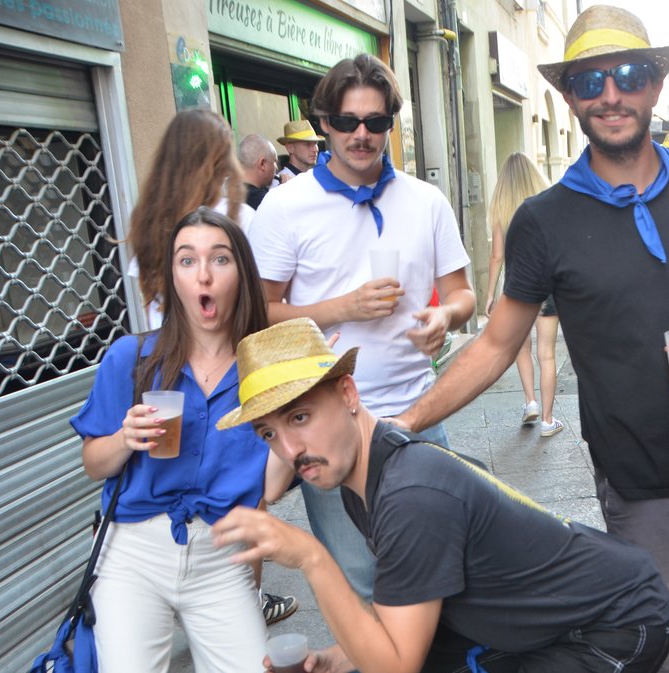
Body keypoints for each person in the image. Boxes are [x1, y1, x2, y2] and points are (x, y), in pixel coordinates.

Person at [397, 6, 669, 672]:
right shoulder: (542, 221)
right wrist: (405, 421)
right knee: (652, 649)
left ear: (656, 85)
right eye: (590, 81)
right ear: (569, 95)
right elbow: (494, 345)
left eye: (629, 74)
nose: (611, 94)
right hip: (639, 488)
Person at [211, 318, 669, 673]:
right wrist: (342, 656)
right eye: (269, 433)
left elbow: (396, 666)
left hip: (615, 623)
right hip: (550, 614)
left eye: (300, 418)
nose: (291, 450)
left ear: (348, 393)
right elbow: (403, 608)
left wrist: (312, 558)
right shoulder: (367, 470)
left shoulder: (409, 493)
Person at [249, 53, 475, 601]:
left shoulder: (425, 201)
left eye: (376, 122)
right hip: (327, 426)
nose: (362, 134)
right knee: (363, 586)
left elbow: (464, 294)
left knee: (444, 578)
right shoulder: (285, 207)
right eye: (348, 121)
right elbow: (257, 319)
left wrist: (444, 316)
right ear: (324, 122)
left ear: (389, 126)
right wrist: (340, 308)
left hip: (419, 420)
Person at [73, 208, 273, 672]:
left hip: (221, 554)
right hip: (133, 552)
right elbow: (93, 463)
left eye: (220, 259)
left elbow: (274, 485)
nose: (203, 273)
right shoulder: (133, 357)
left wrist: (307, 397)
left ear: (241, 273)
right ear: (174, 277)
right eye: (187, 260)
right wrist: (125, 438)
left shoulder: (263, 371)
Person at [127, 109, 255, 329]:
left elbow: (149, 303)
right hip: (232, 352)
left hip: (168, 351)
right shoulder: (239, 216)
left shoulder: (149, 220)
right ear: (220, 159)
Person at [485, 153, 564, 436]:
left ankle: (529, 401)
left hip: (516, 287)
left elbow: (496, 256)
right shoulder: (546, 202)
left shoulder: (501, 206)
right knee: (547, 354)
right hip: (547, 286)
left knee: (521, 348)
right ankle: (547, 419)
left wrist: (491, 294)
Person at [239, 133, 279, 210]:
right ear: (262, 164)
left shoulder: (229, 195)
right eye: (274, 162)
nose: (276, 167)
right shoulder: (265, 202)